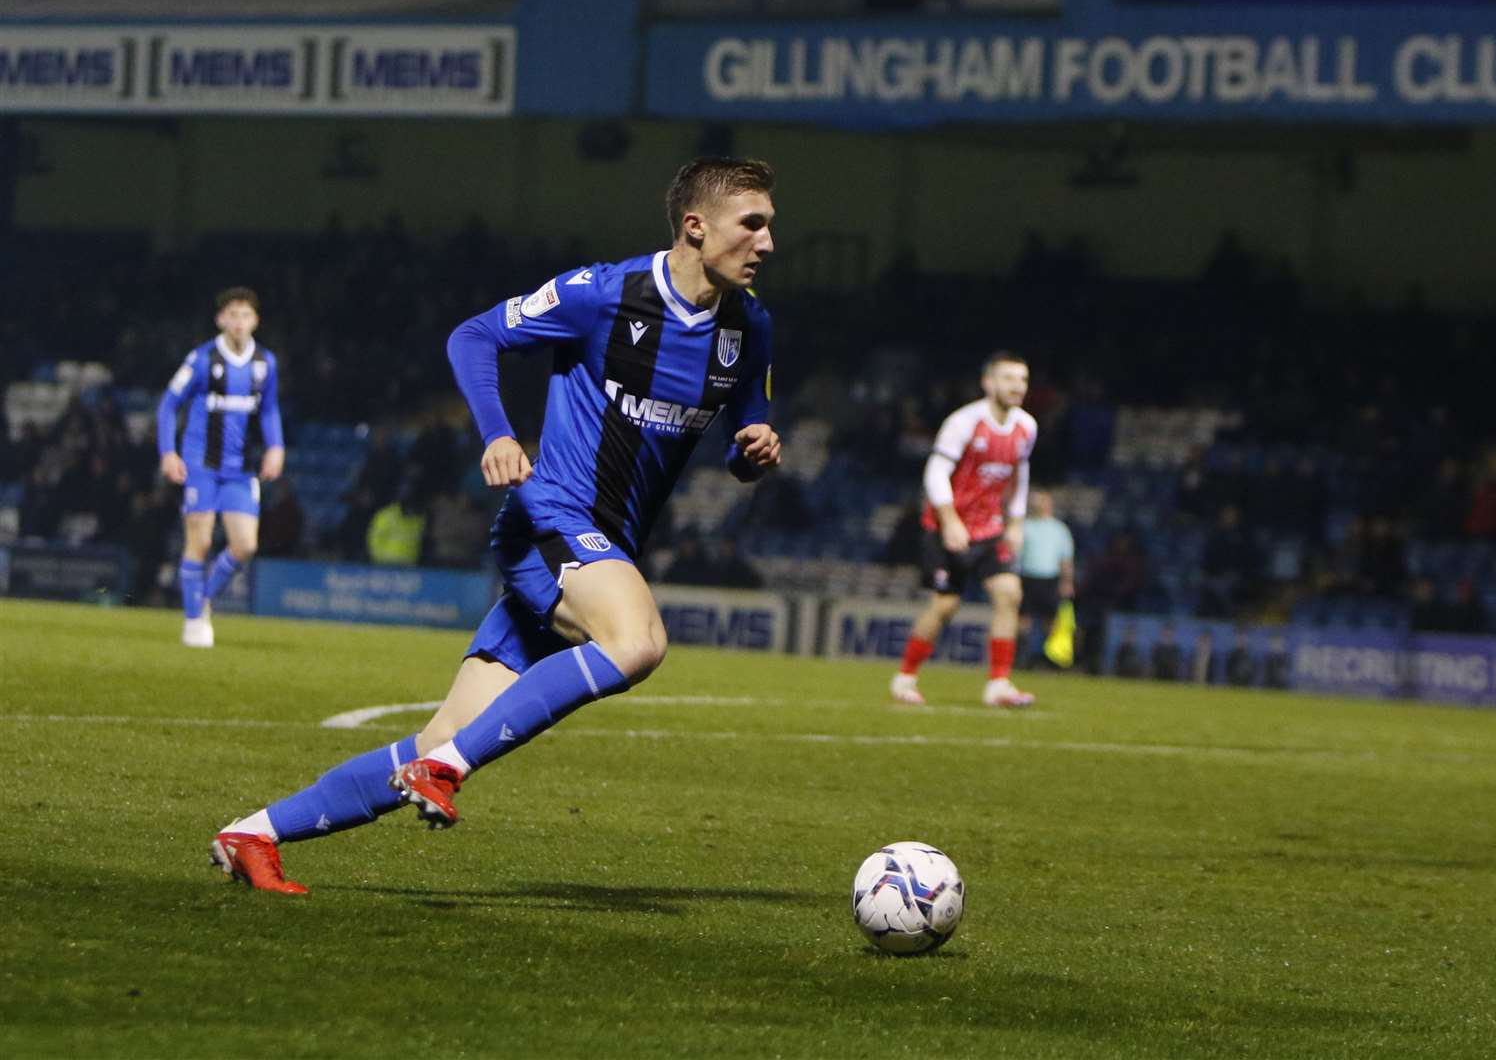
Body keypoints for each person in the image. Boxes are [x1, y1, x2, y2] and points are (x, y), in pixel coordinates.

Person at [209, 157, 782, 894]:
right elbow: (473, 336)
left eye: (770, 226)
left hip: (605, 545)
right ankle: (447, 770)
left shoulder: (749, 327)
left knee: (441, 734)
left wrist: (753, 450)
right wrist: (498, 432)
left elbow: (747, 426)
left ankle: (253, 833)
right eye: (753, 225)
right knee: (637, 643)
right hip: (552, 518)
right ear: (695, 227)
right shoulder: (602, 293)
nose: (767, 243)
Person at [888, 352, 1038, 708]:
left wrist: (1015, 523)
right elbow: (936, 472)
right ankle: (905, 677)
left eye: (1023, 379)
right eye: (1009, 378)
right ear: (988, 383)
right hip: (948, 529)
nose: (1017, 386)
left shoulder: (1027, 426)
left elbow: (1019, 474)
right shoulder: (964, 422)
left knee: (1009, 595)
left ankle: (998, 684)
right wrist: (950, 520)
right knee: (945, 606)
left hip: (990, 529)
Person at [156, 287, 284, 648]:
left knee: (245, 546)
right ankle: (195, 621)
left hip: (242, 468)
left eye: (246, 315)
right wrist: (169, 452)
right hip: (200, 463)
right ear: (220, 319)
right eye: (233, 314)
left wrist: (276, 446)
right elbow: (168, 404)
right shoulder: (201, 359)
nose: (239, 322)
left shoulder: (265, 363)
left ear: (255, 320)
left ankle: (201, 599)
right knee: (199, 540)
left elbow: (270, 408)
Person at [1015, 489, 1074, 669]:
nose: (1037, 504)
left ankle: (1049, 657)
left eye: (1042, 500)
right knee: (1023, 619)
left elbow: (1065, 559)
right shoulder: (1024, 526)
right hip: (1027, 576)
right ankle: (1021, 656)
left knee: (1051, 620)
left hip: (1049, 578)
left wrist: (1066, 581)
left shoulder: (1059, 529)